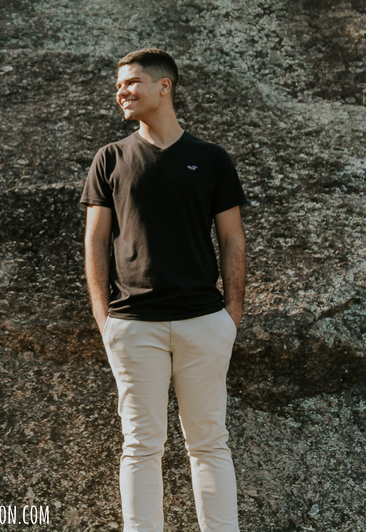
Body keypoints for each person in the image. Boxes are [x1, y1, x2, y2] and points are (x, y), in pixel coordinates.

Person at [80, 48, 247, 532]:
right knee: (140, 445)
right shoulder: (110, 158)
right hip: (133, 325)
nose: (121, 92)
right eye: (118, 86)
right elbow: (95, 240)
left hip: (204, 320)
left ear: (164, 86)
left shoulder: (211, 159)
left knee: (209, 443)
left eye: (131, 83)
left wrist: (231, 312)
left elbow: (232, 238)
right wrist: (102, 315)